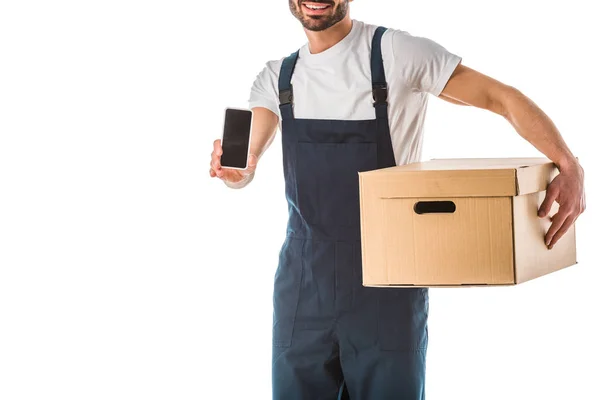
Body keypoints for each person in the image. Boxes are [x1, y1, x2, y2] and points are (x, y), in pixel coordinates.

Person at [209, 1, 586, 398]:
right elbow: (247, 159)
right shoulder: (277, 76)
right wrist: (236, 172)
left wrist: (568, 164)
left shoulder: (395, 53)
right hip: (303, 288)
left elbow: (500, 98)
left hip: (388, 284)